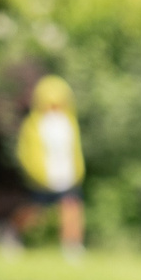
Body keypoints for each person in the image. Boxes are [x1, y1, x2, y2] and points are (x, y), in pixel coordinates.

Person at [14, 76, 87, 258]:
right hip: (43, 178)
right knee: (32, 213)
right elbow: (27, 152)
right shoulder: (34, 124)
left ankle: (72, 246)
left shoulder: (69, 122)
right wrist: (36, 173)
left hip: (67, 177)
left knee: (71, 209)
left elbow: (74, 150)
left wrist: (77, 171)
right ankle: (11, 235)